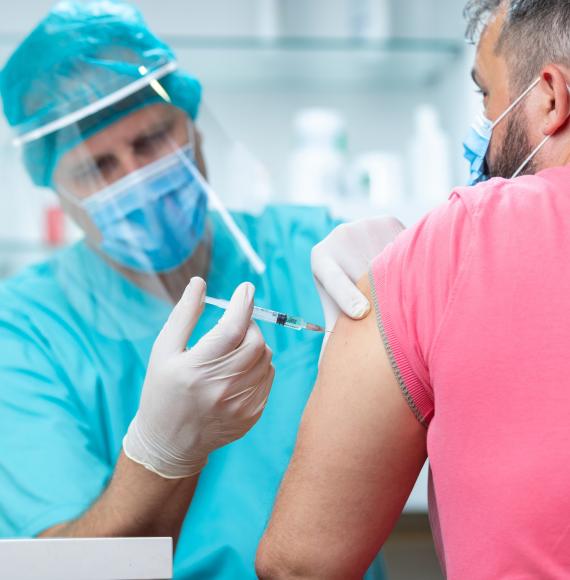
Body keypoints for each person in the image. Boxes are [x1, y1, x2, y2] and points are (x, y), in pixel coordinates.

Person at [0, 1, 402, 578]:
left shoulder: (308, 248)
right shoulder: (24, 331)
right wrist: (161, 453)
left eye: (151, 140)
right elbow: (68, 566)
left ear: (192, 126)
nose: (134, 176)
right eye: (97, 167)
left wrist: (423, 267)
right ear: (56, 188)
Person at [257, 1, 570, 578]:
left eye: (486, 95)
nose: (484, 124)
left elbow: (300, 565)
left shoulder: (459, 240)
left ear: (549, 97)